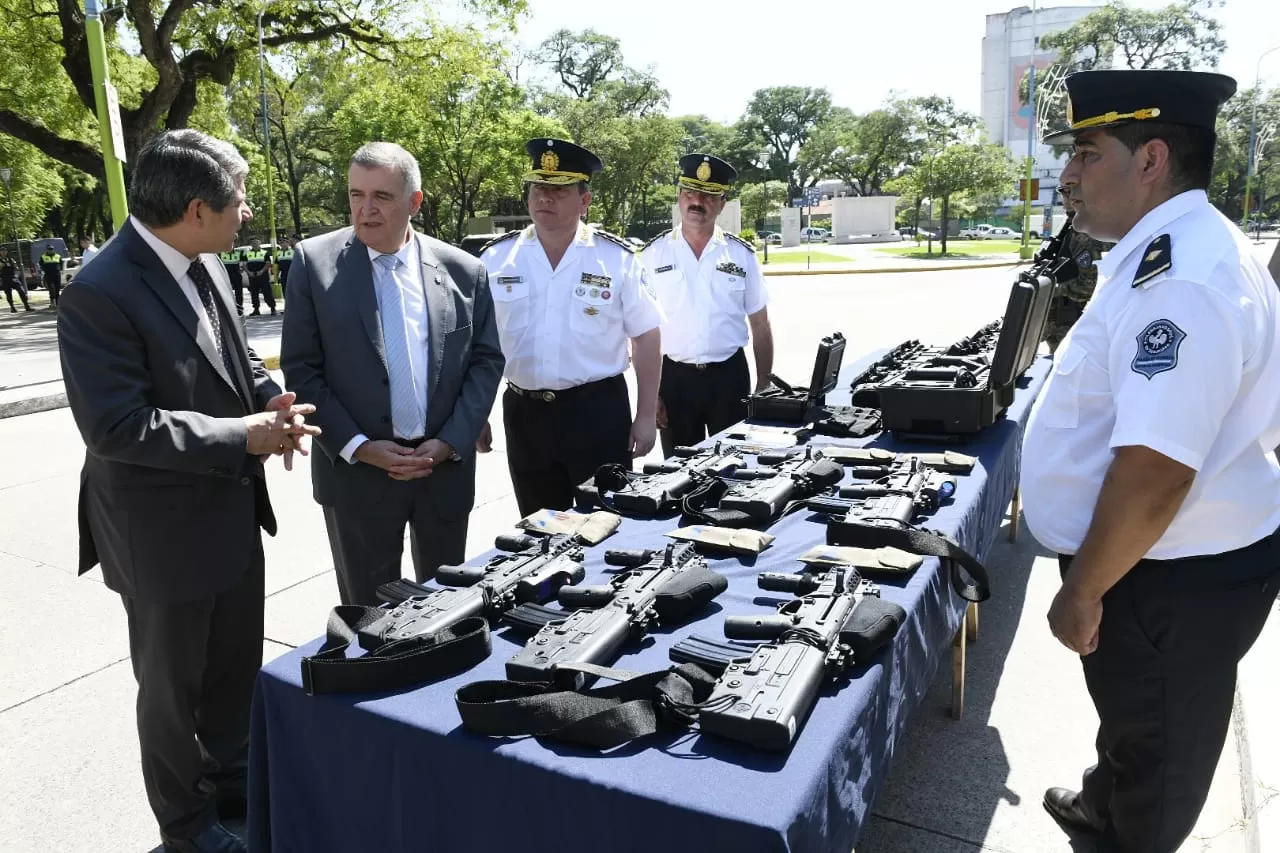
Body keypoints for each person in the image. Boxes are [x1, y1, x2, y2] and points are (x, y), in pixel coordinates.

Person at [1019, 70, 1280, 853]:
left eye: (1087, 153)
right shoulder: (1167, 253)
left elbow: (1156, 471)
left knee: (1160, 756)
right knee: (1139, 719)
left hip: (1166, 577)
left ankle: (1127, 832)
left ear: (1151, 158)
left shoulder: (1185, 281)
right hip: (1162, 567)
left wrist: (1083, 588)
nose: (1067, 174)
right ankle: (1105, 801)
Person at [57, 129, 319, 853]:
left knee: (233, 669)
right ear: (198, 208)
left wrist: (271, 402)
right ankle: (187, 828)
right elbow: (118, 426)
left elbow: (236, 364)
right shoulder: (97, 291)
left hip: (228, 514)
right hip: (160, 533)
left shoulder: (207, 264)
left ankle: (235, 791)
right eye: (241, 198)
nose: (250, 210)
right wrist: (244, 436)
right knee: (173, 695)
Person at [281, 142, 504, 606]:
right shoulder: (312, 264)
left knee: (446, 609)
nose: (365, 210)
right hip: (357, 477)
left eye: (381, 197)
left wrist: (450, 441)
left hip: (441, 472)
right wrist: (359, 447)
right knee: (368, 617)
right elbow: (302, 368)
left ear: (414, 202)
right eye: (355, 195)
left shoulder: (465, 271)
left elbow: (485, 361)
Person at [480, 137, 663, 516]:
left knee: (606, 526)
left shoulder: (616, 259)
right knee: (538, 532)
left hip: (595, 412)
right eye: (538, 188)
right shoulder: (496, 260)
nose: (544, 197)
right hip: (525, 415)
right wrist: (474, 414)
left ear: (584, 201)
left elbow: (646, 337)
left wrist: (646, 416)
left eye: (559, 190)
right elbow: (476, 345)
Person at [639, 152, 773, 455]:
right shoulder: (653, 255)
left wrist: (764, 384)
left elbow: (761, 324)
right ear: (679, 197)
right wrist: (652, 396)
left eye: (708, 195)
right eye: (689, 192)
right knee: (677, 474)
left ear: (722, 203)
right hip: (673, 380)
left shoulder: (742, 255)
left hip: (729, 378)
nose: (696, 200)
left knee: (734, 469)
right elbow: (642, 332)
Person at [1042, 194, 1111, 354]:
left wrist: (1052, 288)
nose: (1065, 198)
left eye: (1070, 191)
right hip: (1061, 320)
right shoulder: (1071, 226)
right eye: (1063, 192)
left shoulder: (1086, 234)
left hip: (1075, 324)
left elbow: (1089, 286)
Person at [243, 237, 275, 315]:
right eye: (253, 243)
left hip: (263, 276)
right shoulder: (247, 253)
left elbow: (268, 264)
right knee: (254, 293)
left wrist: (261, 271)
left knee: (267, 292)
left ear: (259, 243)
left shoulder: (265, 253)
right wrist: (248, 272)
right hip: (252, 276)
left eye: (256, 242)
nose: (255, 244)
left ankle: (272, 308)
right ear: (251, 244)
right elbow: (244, 264)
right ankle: (256, 309)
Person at [1, 245, 31, 312]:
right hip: (5, 279)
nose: (3, 252)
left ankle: (27, 306)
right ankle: (12, 307)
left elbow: (16, 268)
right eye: (2, 251)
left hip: (13, 277)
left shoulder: (11, 259)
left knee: (22, 291)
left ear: (7, 252)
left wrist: (16, 275)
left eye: (5, 251)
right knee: (8, 294)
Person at [218, 245, 246, 315]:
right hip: (226, 276)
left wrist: (242, 270)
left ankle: (239, 307)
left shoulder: (239, 253)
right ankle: (228, 308)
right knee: (226, 292)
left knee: (239, 292)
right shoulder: (221, 253)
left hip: (236, 275)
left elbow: (245, 262)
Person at [40, 243, 63, 307]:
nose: (51, 250)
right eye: (49, 249)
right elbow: (41, 265)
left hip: (57, 274)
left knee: (57, 288)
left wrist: (58, 269)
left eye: (52, 249)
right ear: (47, 250)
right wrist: (45, 270)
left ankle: (58, 303)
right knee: (52, 289)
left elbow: (61, 263)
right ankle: (52, 302)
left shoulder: (58, 256)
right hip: (48, 275)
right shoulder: (43, 256)